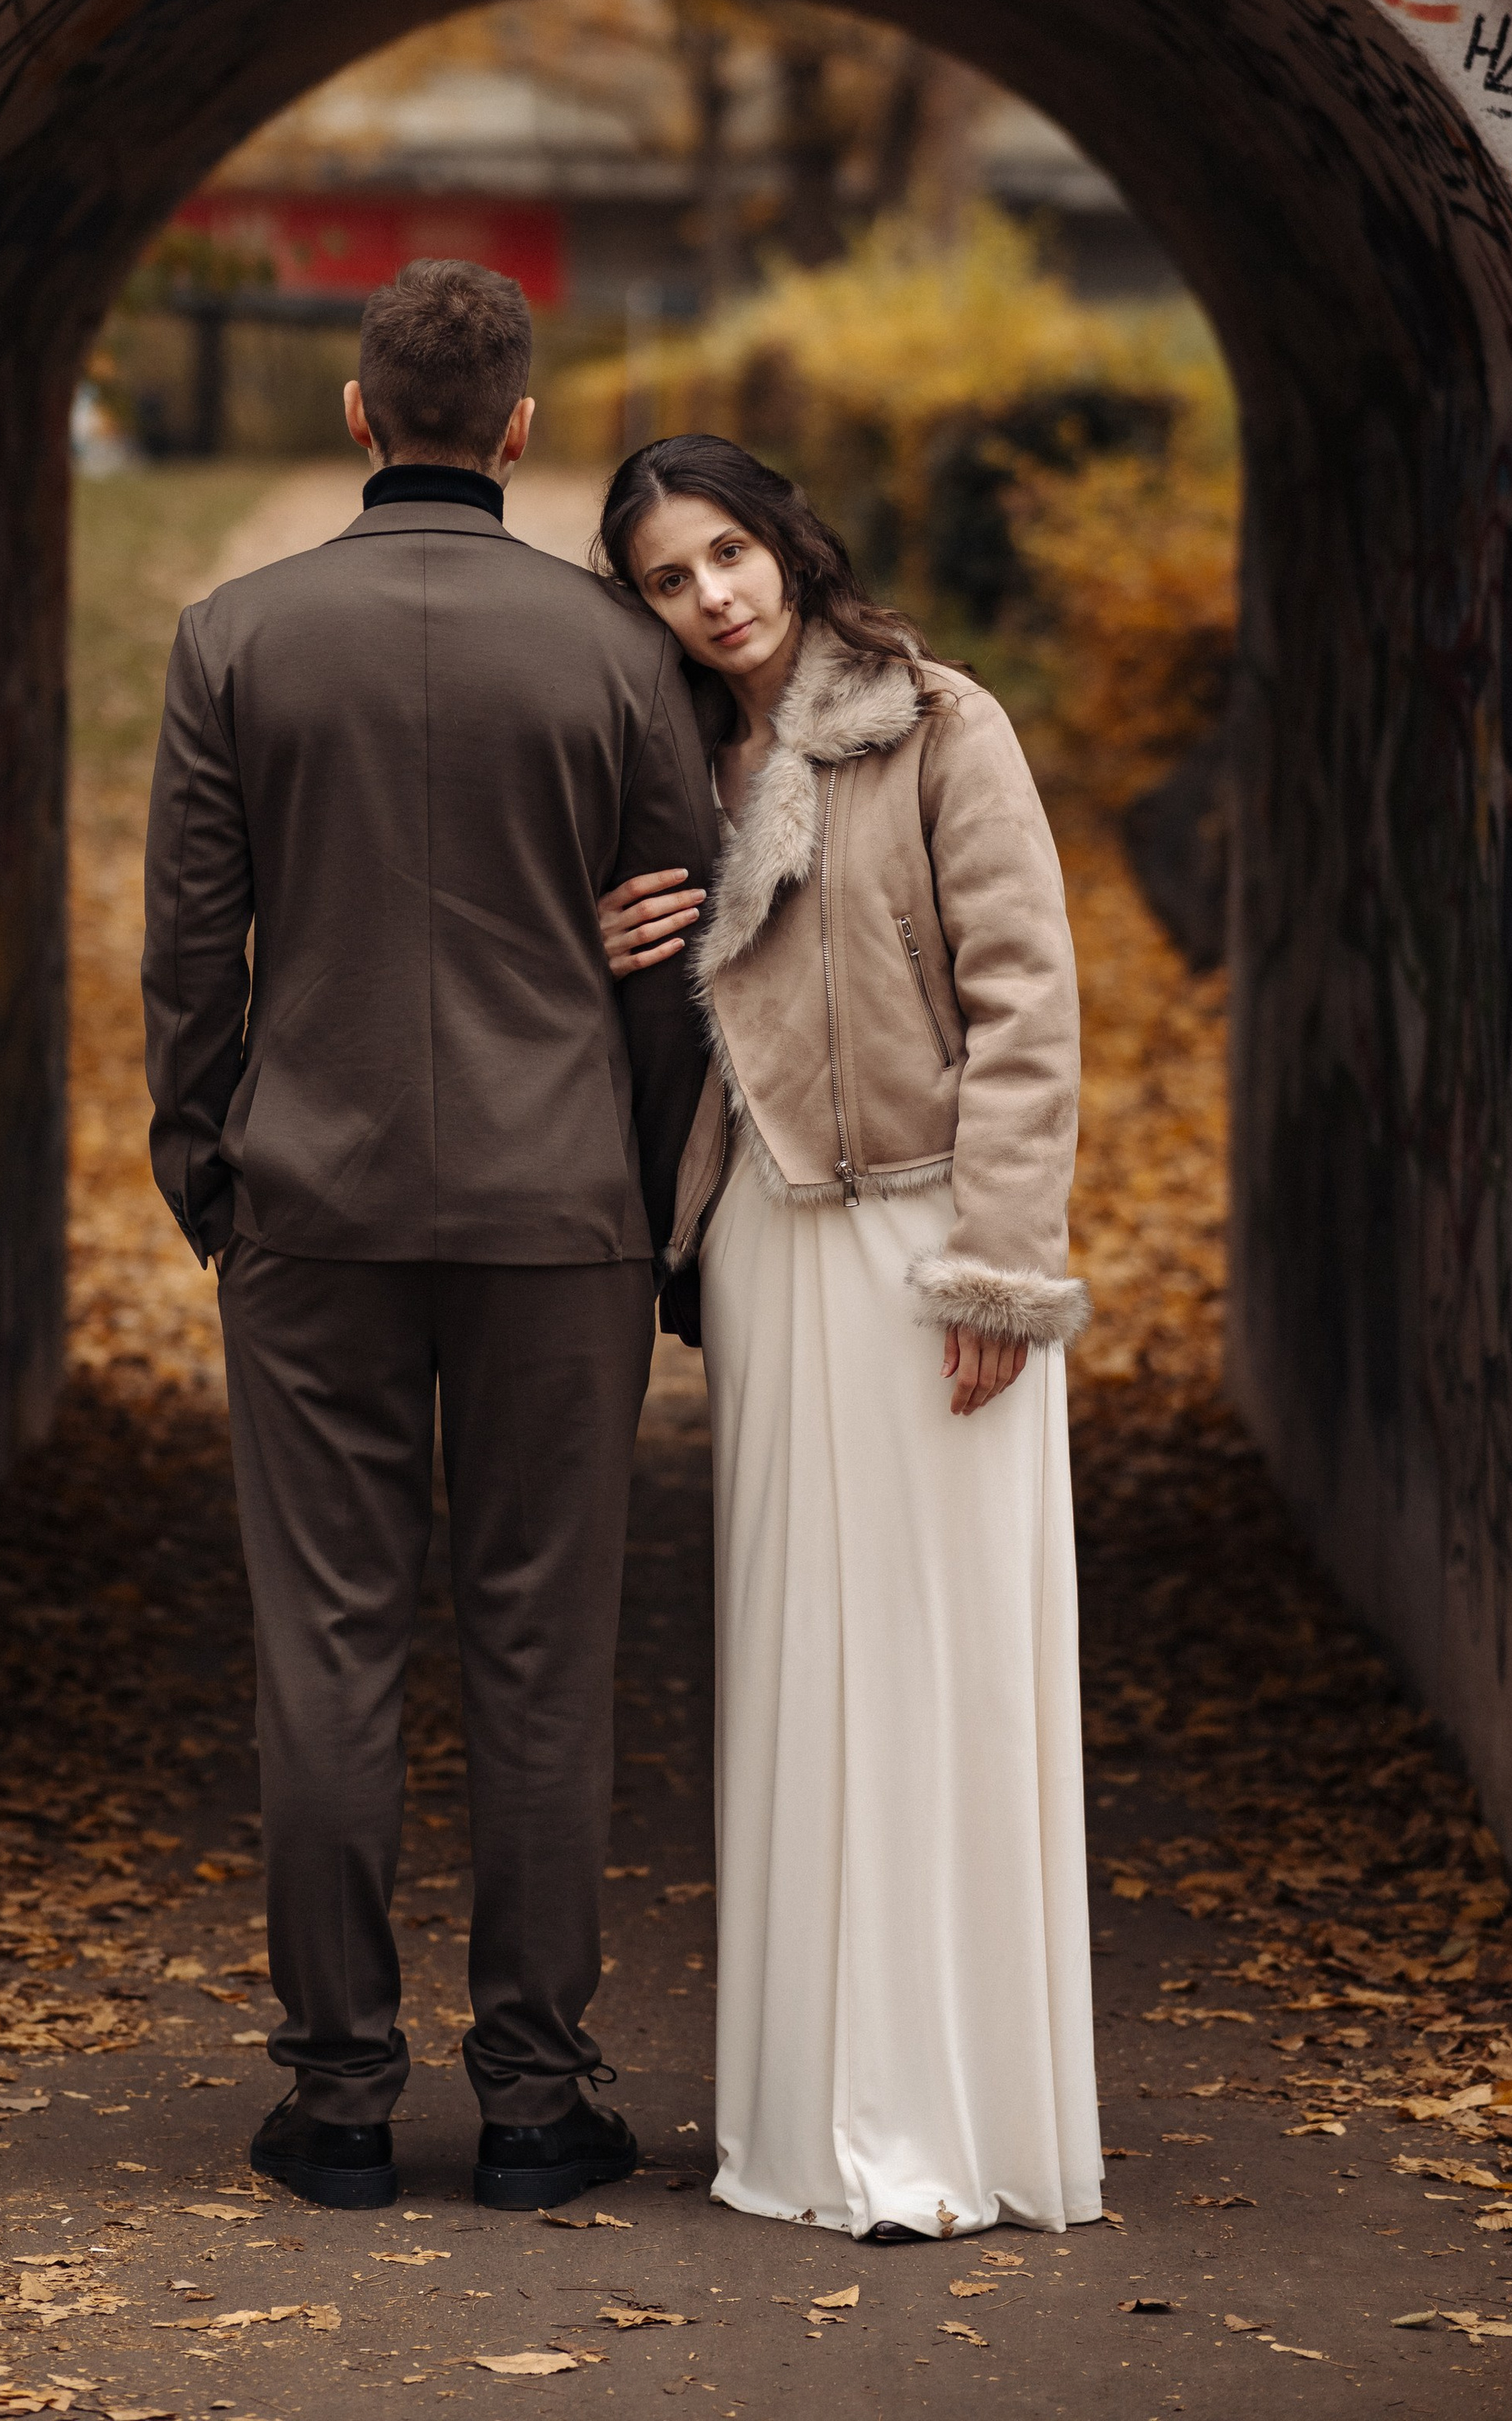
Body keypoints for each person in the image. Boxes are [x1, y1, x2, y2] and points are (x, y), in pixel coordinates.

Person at [140, 261, 714, 2216]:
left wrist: (208, 1165)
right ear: (521, 432)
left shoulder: (235, 636)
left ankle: (337, 2100)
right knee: (548, 1651)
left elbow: (185, 948)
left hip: (311, 1208)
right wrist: (647, 1201)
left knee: (328, 1645)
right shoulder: (614, 654)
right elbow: (673, 963)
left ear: (360, 419)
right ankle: (540, 2105)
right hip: (564, 1212)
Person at [594, 433, 1102, 2244]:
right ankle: (814, 2119)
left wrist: (996, 1266)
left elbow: (1027, 997)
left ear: (784, 545)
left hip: (921, 1235)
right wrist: (614, 938)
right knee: (802, 1669)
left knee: (934, 1664)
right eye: (667, 575)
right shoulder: (664, 765)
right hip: (760, 1244)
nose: (711, 595)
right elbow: (652, 1019)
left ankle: (942, 2126)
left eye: (727, 550)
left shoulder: (934, 722)